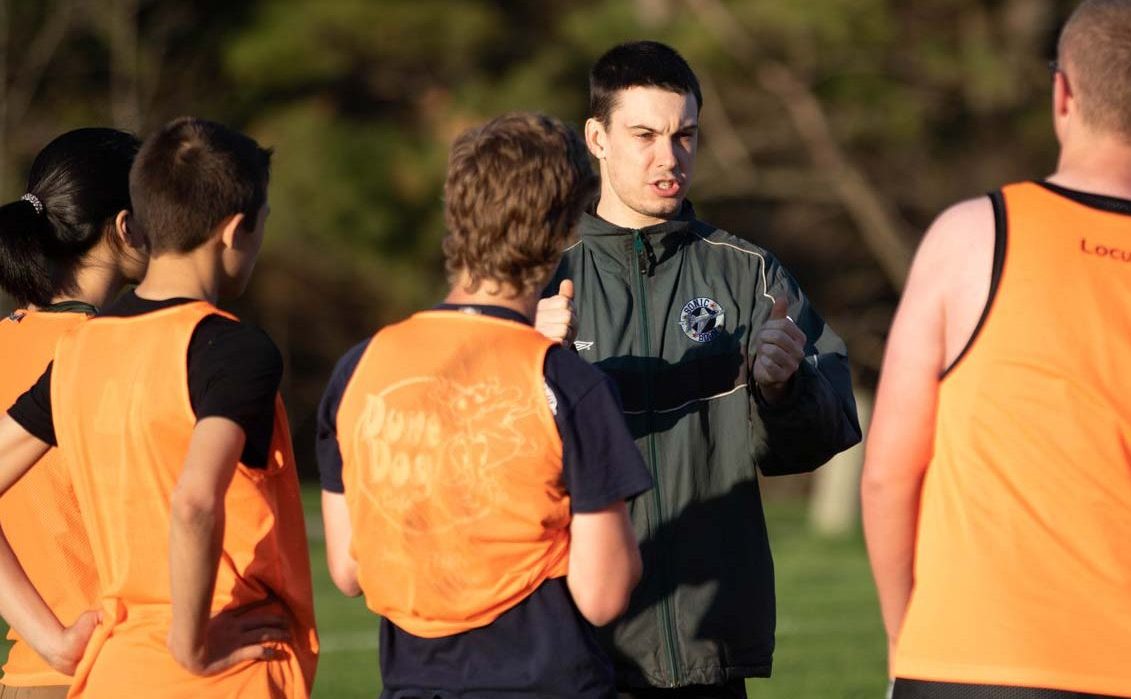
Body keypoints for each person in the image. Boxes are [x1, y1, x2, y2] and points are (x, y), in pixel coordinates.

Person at [543, 41, 862, 696]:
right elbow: (471, 451)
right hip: (573, 649)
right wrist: (527, 373)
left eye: (684, 134)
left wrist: (783, 390)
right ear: (596, 137)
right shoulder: (540, 276)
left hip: (705, 648)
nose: (670, 156)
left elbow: (823, 432)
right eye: (645, 134)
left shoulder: (747, 274)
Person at [316, 111, 654, 698]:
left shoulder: (359, 369)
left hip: (413, 682)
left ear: (456, 217)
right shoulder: (563, 382)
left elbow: (348, 569)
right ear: (562, 234)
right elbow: (603, 597)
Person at [861, 2, 1131, 697]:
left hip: (968, 655)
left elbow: (890, 473)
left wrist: (905, 633)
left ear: (1062, 93)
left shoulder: (973, 235)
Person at [0, 117, 318, 698]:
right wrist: (192, 642)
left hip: (85, 671)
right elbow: (194, 501)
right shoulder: (213, 346)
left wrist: (45, 638)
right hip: (193, 666)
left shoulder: (79, 351)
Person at [0, 128, 146, 699]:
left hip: (30, 677)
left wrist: (50, 639)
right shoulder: (116, 353)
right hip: (123, 671)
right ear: (126, 226)